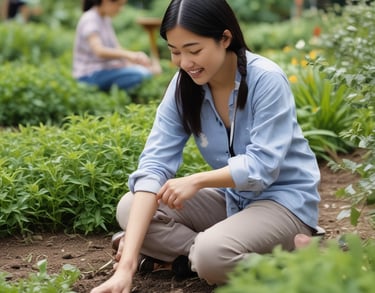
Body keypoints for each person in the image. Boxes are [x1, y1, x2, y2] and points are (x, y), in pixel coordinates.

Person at [91, 0, 322, 292]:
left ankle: (294, 260)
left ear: (225, 39)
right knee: (130, 207)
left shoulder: (266, 79)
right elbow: (153, 166)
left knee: (210, 254)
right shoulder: (183, 86)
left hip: (283, 203)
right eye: (175, 52)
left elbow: (262, 167)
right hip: (233, 201)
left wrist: (197, 181)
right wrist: (126, 266)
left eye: (194, 50)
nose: (185, 63)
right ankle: (206, 256)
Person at [72, 0, 161, 93]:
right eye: (119, 5)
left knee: (145, 71)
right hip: (89, 76)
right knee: (143, 74)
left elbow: (117, 49)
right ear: (105, 1)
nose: (121, 9)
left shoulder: (105, 19)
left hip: (104, 71)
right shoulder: (90, 19)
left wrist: (134, 62)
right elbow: (99, 51)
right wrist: (129, 55)